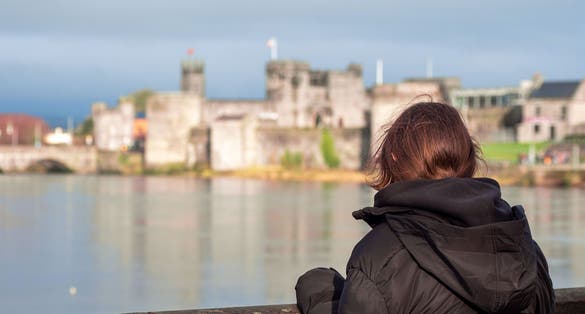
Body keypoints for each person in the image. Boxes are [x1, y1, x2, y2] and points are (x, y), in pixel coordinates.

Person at [295, 101, 555, 313]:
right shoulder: (524, 248)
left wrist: (319, 294)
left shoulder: (380, 258)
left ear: (393, 158)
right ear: (470, 158)